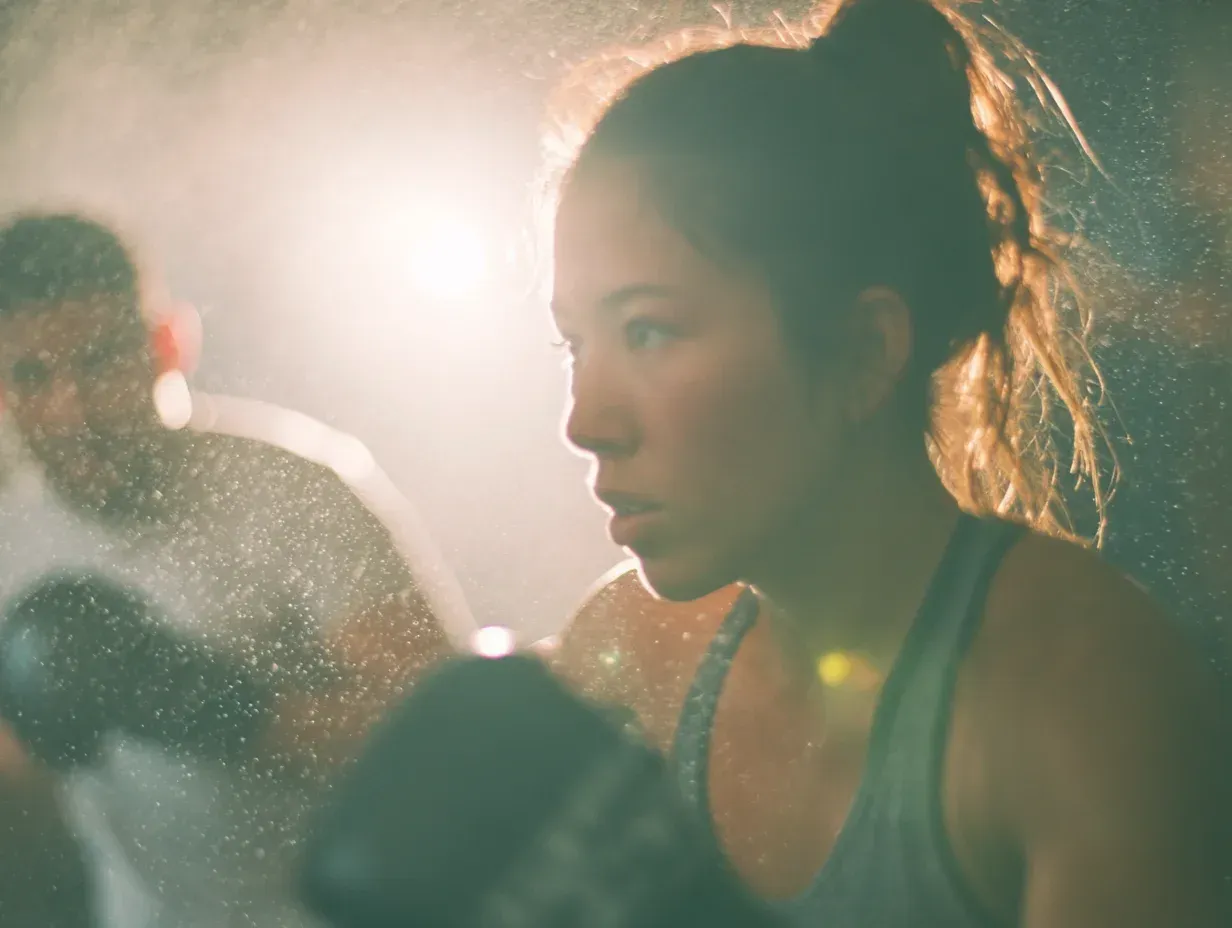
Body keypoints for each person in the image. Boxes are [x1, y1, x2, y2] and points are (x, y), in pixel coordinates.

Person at [543, 0, 1231, 925]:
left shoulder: (1078, 685)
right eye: (574, 344)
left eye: (650, 330)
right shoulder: (625, 663)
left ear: (867, 352)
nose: (586, 421)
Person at [0, 212, 471, 926]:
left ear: (166, 344)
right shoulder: (12, 543)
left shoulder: (291, 490)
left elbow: (452, 739)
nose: (72, 411)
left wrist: (226, 714)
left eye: (99, 361)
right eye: (33, 376)